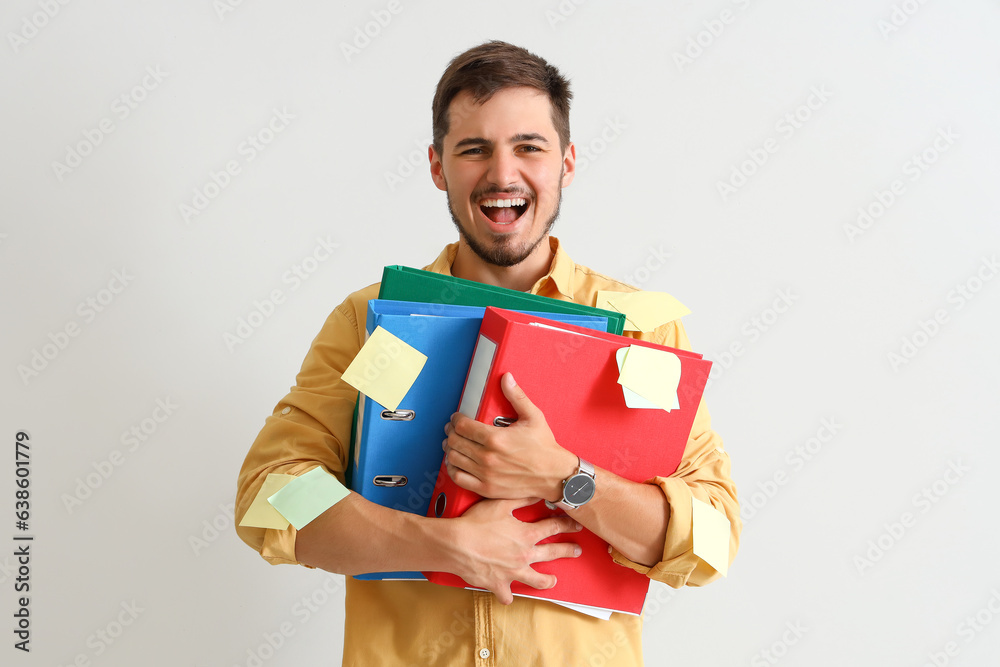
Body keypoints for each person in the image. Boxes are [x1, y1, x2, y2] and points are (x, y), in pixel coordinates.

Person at [235, 40, 740, 666]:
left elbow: (712, 543)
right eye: (474, 149)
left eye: (529, 146)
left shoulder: (644, 333)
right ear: (437, 167)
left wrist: (566, 478)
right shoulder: (370, 323)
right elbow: (270, 499)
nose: (503, 174)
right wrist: (443, 545)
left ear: (568, 162)